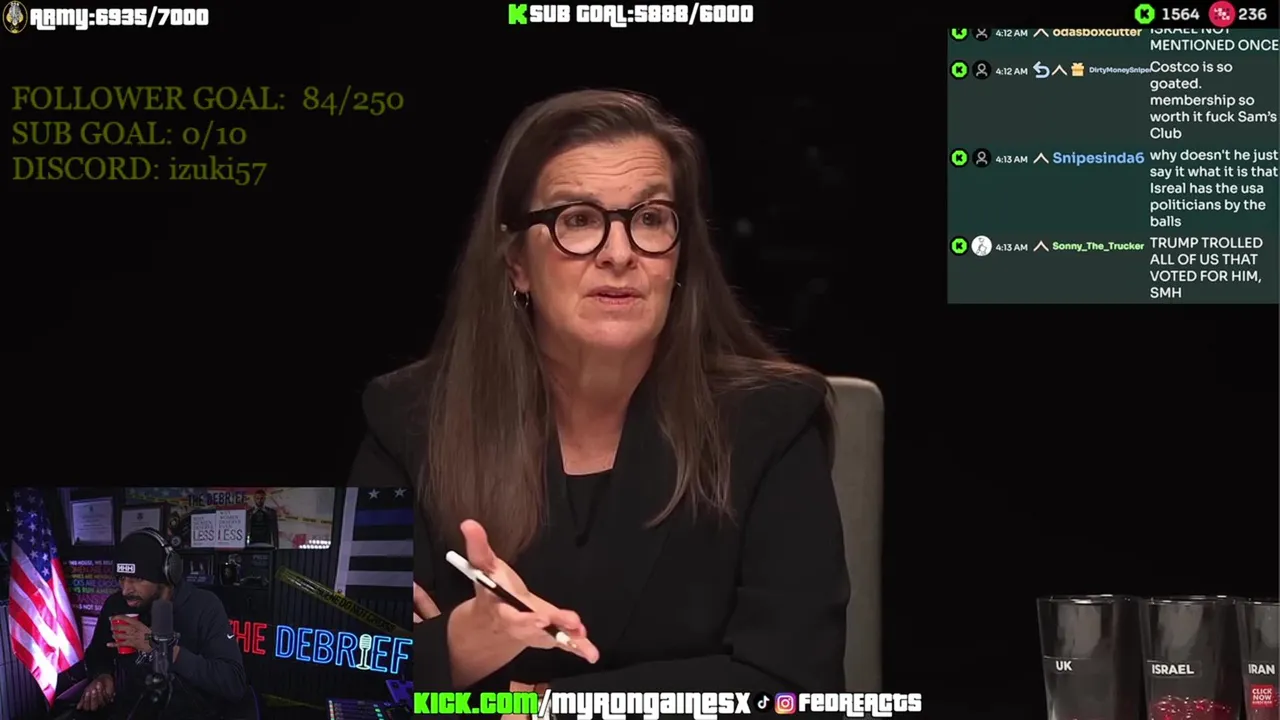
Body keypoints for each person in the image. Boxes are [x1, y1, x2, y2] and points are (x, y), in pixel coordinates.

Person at [349, 90, 849, 698]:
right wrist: (464, 643)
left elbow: (794, 689)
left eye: (650, 219)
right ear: (516, 263)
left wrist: (540, 704)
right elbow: (336, 683)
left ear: (679, 255)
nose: (619, 254)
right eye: (578, 220)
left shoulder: (771, 421)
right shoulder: (410, 421)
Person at [75, 529, 247, 719]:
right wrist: (102, 675)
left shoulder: (205, 606)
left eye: (137, 579)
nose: (125, 590)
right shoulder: (116, 605)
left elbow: (233, 683)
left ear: (167, 573)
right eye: (121, 579)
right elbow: (97, 654)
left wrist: (159, 646)